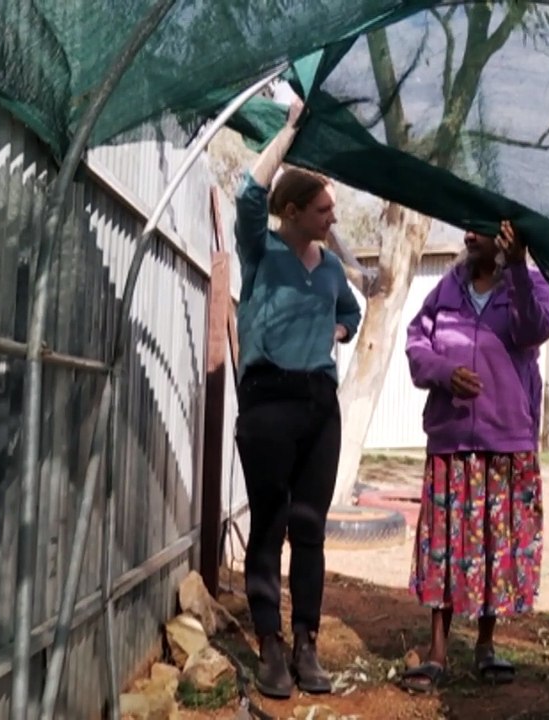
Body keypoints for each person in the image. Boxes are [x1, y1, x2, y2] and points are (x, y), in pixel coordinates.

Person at [232, 97, 361, 699]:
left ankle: (306, 644)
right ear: (293, 211)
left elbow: (351, 312)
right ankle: (270, 647)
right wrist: (287, 134)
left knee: (310, 528)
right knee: (270, 523)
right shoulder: (262, 253)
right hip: (268, 403)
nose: (333, 216)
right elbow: (246, 197)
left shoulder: (331, 269)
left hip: (318, 406)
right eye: (323, 208)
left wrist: (339, 329)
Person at [400, 220, 549, 693]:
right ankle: (437, 652)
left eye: (479, 230)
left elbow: (537, 329)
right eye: (465, 229)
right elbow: (416, 345)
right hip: (452, 443)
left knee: (494, 546)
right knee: (446, 548)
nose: (468, 236)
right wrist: (445, 372)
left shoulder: (529, 286)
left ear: (505, 237)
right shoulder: (447, 290)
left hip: (507, 440)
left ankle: (486, 645)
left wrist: (519, 270)